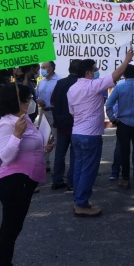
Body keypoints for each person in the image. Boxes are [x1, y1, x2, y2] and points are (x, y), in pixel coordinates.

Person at [0, 83, 54, 266]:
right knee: (9, 229)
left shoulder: (23, 119)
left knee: (13, 228)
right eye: (27, 100)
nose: (31, 103)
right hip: (12, 183)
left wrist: (43, 148)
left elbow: (27, 149)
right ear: (18, 101)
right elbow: (6, 156)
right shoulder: (7, 125)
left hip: (24, 181)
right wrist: (16, 134)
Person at [67, 51, 133, 217]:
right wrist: (126, 60)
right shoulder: (92, 85)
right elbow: (115, 75)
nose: (97, 72)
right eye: (95, 70)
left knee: (79, 169)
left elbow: (73, 113)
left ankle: (79, 200)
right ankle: (81, 204)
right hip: (90, 136)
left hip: (77, 133)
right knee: (88, 170)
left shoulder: (72, 89)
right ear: (88, 73)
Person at [105, 62, 134, 190]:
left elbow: (109, 105)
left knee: (123, 152)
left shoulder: (119, 87)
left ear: (124, 74)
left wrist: (113, 119)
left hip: (123, 124)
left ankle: (125, 179)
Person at [51, 59, 81, 191]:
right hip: (76, 124)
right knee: (75, 154)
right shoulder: (81, 84)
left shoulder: (60, 83)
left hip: (62, 123)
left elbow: (52, 101)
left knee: (60, 153)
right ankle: (72, 181)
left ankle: (57, 180)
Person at [37, 61, 60, 173]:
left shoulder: (59, 81)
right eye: (41, 67)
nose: (42, 69)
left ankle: (58, 164)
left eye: (44, 67)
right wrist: (38, 101)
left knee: (56, 138)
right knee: (42, 138)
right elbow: (37, 96)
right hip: (43, 112)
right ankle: (44, 163)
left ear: (51, 68)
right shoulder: (41, 82)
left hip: (54, 112)